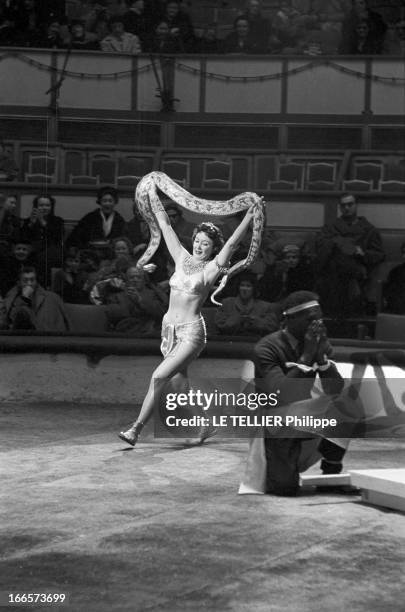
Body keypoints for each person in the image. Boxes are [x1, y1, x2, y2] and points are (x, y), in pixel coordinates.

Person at [118, 198, 262, 446]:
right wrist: (153, 197)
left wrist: (249, 216)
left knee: (159, 377)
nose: (199, 246)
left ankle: (135, 429)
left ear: (212, 248)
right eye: (197, 241)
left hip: (191, 334)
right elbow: (164, 225)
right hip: (168, 331)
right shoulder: (181, 256)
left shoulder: (212, 269)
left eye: (205, 244)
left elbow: (232, 243)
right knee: (179, 386)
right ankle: (206, 425)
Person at [242, 290, 351, 497]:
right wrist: (307, 356)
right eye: (310, 319)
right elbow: (279, 394)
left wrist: (321, 359)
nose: (317, 323)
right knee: (284, 488)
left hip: (301, 412)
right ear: (290, 319)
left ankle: (330, 475)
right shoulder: (266, 347)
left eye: (319, 317)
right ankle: (284, 466)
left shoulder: (318, 341)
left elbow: (334, 389)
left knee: (347, 405)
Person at [315, 193, 385, 316]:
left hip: (357, 268)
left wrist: (363, 253)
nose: (346, 208)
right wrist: (338, 243)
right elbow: (320, 246)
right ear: (340, 208)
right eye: (343, 205)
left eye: (350, 204)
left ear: (356, 205)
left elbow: (379, 254)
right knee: (336, 262)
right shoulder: (330, 227)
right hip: (333, 270)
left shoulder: (369, 230)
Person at [3, 266, 70, 332]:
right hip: (18, 338)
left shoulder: (51, 298)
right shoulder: (11, 299)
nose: (29, 283)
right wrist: (24, 299)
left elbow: (64, 323)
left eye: (32, 280)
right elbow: (12, 321)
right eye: (25, 280)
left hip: (43, 338)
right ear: (19, 283)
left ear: (36, 281)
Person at [21, 193, 65, 287]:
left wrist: (42, 221)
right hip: (32, 254)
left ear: (51, 207)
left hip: (51, 254)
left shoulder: (58, 221)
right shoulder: (28, 221)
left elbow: (56, 238)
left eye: (47, 205)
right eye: (41, 205)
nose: (44, 208)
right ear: (35, 207)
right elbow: (23, 239)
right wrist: (31, 225)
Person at [215, 273, 279, 336]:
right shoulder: (226, 303)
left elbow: (272, 327)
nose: (244, 289)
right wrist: (237, 320)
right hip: (230, 340)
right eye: (242, 285)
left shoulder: (265, 306)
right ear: (238, 287)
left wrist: (255, 321)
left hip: (255, 341)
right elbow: (219, 325)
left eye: (248, 286)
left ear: (254, 289)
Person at [66, 186, 126, 251]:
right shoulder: (89, 218)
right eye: (104, 201)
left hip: (112, 253)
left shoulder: (119, 220)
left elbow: (123, 240)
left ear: (115, 202)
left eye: (110, 201)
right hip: (92, 252)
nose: (107, 204)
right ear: (100, 202)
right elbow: (76, 237)